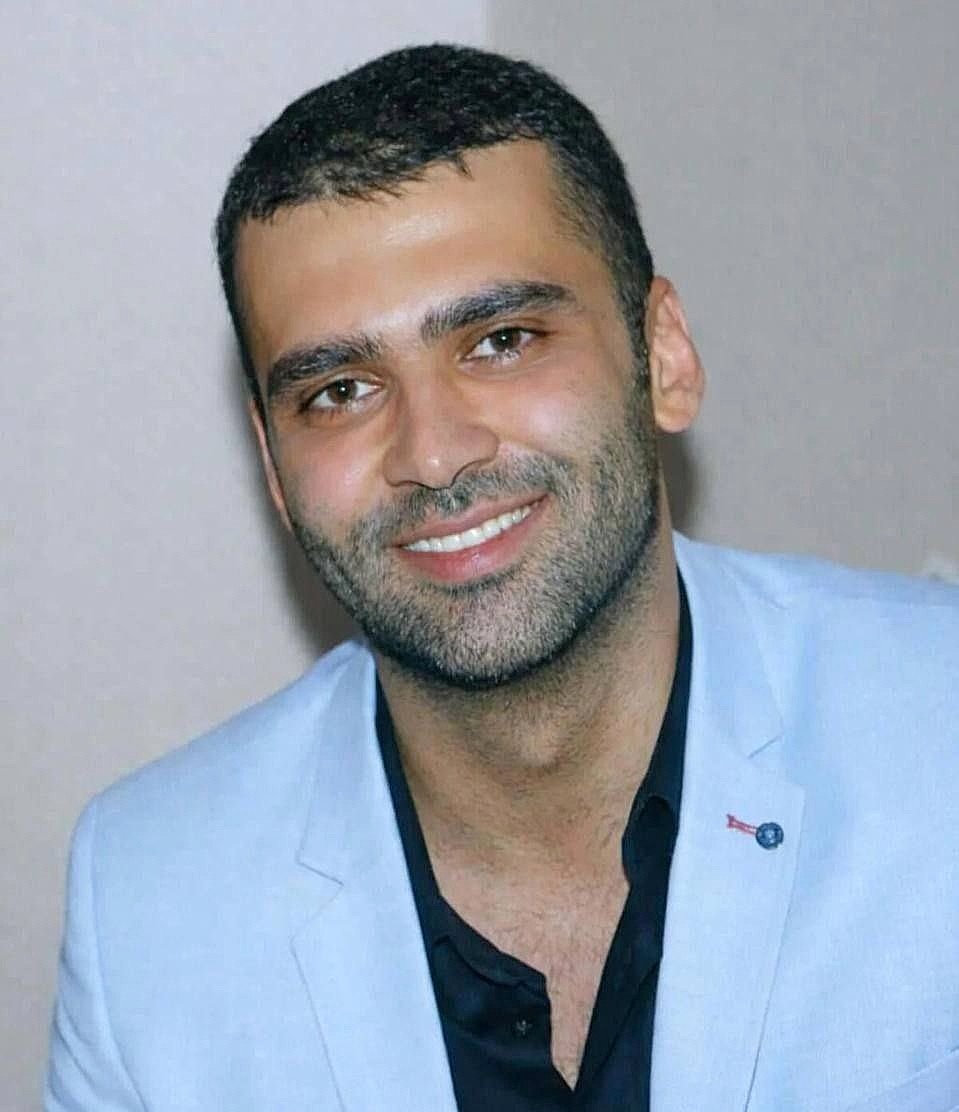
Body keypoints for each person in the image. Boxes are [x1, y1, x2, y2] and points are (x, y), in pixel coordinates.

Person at [45, 44, 958, 1112]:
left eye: (502, 339)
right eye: (339, 391)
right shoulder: (146, 903)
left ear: (662, 356)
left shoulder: (934, 727)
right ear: (273, 467)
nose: (432, 454)